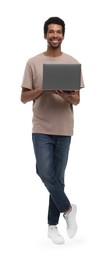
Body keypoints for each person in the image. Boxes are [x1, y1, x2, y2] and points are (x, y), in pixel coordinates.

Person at [20, 17, 84, 244]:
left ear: (63, 35)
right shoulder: (33, 63)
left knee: (57, 178)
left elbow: (76, 100)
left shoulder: (72, 63)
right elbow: (23, 97)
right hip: (41, 127)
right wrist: (42, 89)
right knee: (44, 173)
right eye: (51, 32)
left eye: (59, 32)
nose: (55, 35)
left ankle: (52, 226)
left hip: (64, 128)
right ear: (45, 34)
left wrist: (64, 95)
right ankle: (67, 209)